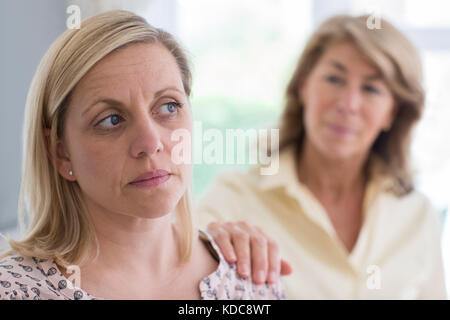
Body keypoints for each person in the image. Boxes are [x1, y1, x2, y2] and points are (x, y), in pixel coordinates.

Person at [0, 10, 284, 300]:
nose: (150, 143)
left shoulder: (250, 280)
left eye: (169, 107)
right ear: (60, 152)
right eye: (111, 119)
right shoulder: (15, 291)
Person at [198, 15, 447, 299]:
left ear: (393, 112)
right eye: (334, 79)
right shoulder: (232, 200)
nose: (347, 104)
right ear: (304, 85)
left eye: (371, 88)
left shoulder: (417, 215)